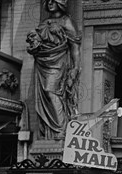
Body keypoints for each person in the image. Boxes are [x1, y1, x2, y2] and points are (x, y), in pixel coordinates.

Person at [27, 0, 81, 139]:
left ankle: (61, 129)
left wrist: (75, 67)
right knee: (45, 94)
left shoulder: (66, 21)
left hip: (59, 61)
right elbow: (38, 42)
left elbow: (74, 47)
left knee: (51, 91)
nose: (50, 2)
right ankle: (50, 131)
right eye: (48, 0)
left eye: (54, 0)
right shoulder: (45, 22)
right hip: (43, 62)